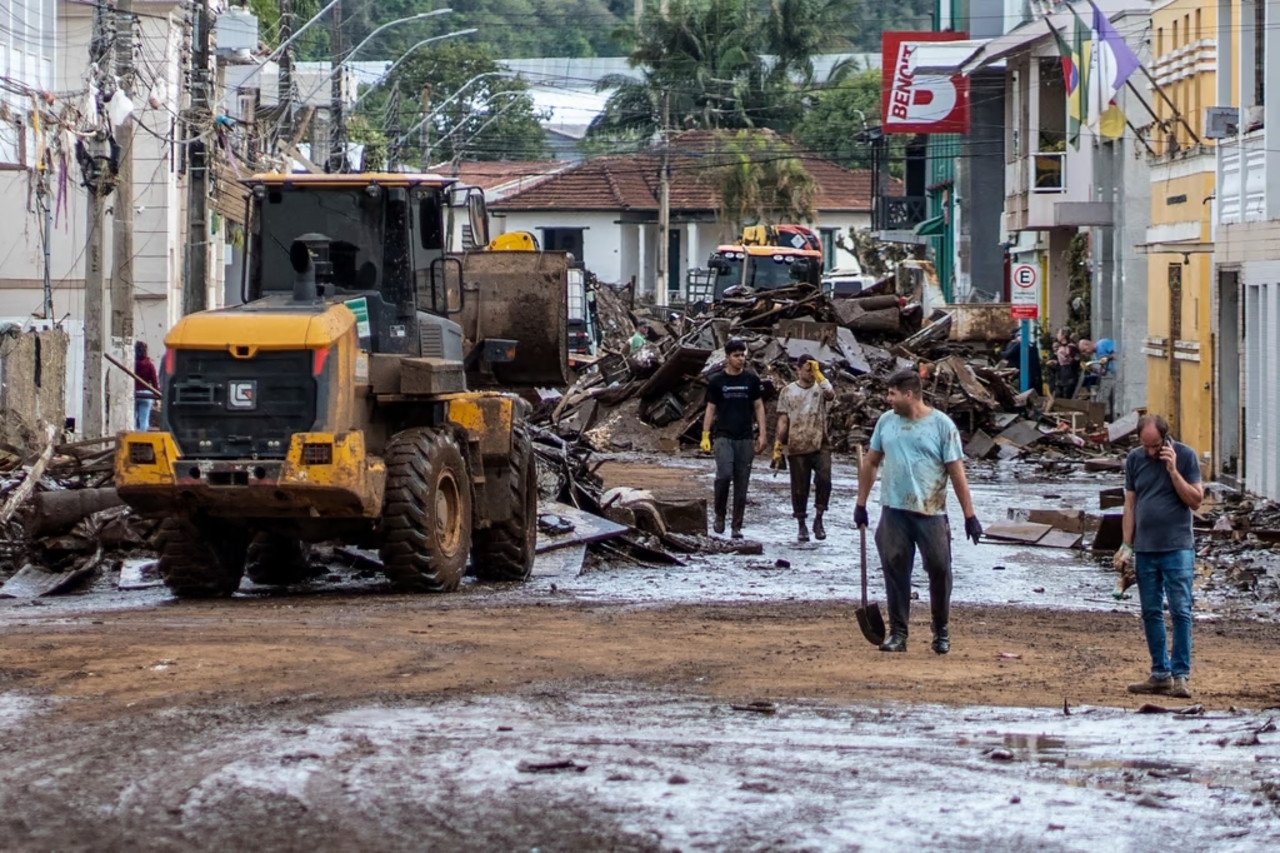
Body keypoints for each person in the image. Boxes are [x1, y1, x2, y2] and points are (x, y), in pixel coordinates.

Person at [854, 369, 983, 655]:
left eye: (892, 394)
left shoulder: (942, 426)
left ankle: (941, 630)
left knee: (940, 568)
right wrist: (860, 503)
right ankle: (898, 633)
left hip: (931, 511)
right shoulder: (886, 423)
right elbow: (871, 462)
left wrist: (969, 515)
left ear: (909, 394)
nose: (888, 399)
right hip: (894, 511)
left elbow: (956, 472)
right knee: (895, 568)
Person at [1118, 415, 1203, 699]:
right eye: (1146, 446)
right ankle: (1160, 673)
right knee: (1151, 612)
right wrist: (1126, 545)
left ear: (1166, 439)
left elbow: (1195, 501)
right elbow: (1130, 504)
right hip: (1145, 549)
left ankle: (1180, 675)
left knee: (1180, 611)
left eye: (1155, 446)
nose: (1151, 452)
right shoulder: (1134, 459)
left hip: (1177, 548)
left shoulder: (1186, 456)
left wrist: (1173, 471)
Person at [700, 338, 767, 538]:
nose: (741, 359)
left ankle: (737, 526)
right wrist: (705, 435)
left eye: (742, 355)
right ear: (727, 357)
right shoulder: (717, 381)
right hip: (723, 436)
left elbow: (759, 407)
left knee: (742, 482)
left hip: (745, 437)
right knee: (724, 475)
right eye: (736, 355)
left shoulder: (751, 380)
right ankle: (719, 515)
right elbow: (710, 409)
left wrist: (762, 434)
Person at [774, 356, 835, 542]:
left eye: (813, 370)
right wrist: (778, 444)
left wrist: (819, 374)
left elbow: (831, 394)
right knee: (800, 488)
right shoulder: (788, 391)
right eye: (808, 370)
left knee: (825, 480)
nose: (811, 374)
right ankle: (801, 524)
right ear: (798, 369)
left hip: (820, 442)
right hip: (797, 444)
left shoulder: (820, 388)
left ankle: (819, 518)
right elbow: (783, 419)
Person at [133, 340, 160, 431]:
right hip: (146, 394)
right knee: (144, 420)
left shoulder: (132, 364)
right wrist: (156, 397)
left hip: (134, 393)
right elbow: (154, 382)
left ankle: (132, 435)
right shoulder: (149, 365)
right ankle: (142, 436)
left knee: (132, 419)